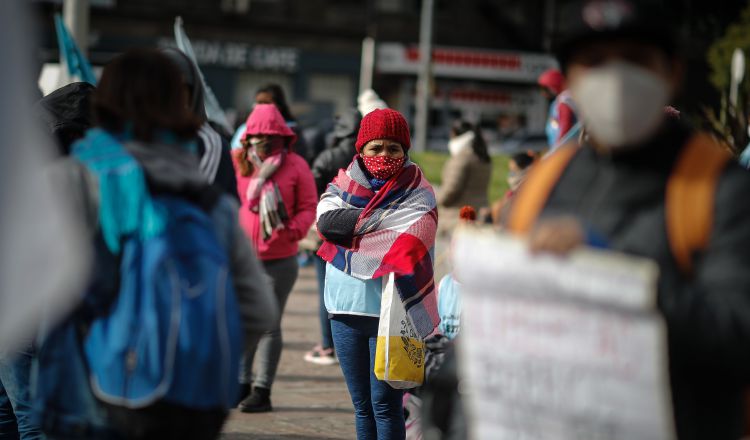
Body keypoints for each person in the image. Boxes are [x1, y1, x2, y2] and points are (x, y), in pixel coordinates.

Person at [507, 1, 750, 438]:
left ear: (672, 73)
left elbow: (738, 330)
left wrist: (617, 271)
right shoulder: (544, 184)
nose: (614, 79)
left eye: (635, 60)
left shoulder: (722, 187)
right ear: (571, 82)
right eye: (595, 62)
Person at [37, 49, 277, 439]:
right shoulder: (207, 199)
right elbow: (259, 308)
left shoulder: (73, 180)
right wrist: (191, 355)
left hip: (92, 393)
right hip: (190, 404)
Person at [317, 108, 440, 440]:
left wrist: (352, 229)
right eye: (376, 147)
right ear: (361, 150)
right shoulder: (341, 185)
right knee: (361, 407)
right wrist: (382, 225)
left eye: (393, 148)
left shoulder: (420, 194)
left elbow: (411, 242)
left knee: (385, 406)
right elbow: (325, 223)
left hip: (391, 314)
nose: (384, 155)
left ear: (405, 151)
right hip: (344, 308)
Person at [233, 103, 318, 412]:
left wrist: (292, 231)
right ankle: (240, 383)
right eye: (258, 135)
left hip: (280, 260)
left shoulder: (296, 165)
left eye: (272, 136)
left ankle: (262, 390)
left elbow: (310, 204)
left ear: (284, 135)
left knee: (268, 323)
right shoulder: (239, 162)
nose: (265, 142)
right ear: (248, 136)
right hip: (243, 258)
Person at [302, 107, 363, 366]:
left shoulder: (327, 156)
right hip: (360, 235)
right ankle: (355, 346)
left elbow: (311, 194)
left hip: (327, 233)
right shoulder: (365, 158)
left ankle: (328, 346)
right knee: (356, 293)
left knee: (327, 291)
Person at [161, 48, 238, 201]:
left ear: (192, 93)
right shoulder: (139, 134)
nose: (171, 96)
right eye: (163, 87)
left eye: (180, 89)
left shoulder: (209, 144)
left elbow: (199, 205)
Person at [436, 120, 491, 237]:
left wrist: (435, 200)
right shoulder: (482, 156)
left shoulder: (461, 158)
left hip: (456, 217)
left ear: (456, 136)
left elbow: (451, 189)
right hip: (478, 214)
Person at [231, 84, 311, 163]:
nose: (261, 107)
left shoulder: (291, 131)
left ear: (279, 106)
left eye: (266, 103)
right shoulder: (244, 128)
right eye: (258, 103)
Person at [538, 68, 579, 151]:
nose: (543, 93)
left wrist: (559, 145)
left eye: (545, 89)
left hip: (565, 147)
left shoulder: (564, 100)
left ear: (553, 85)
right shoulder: (566, 97)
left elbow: (565, 124)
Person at [490, 151, 536, 225]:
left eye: (514, 171)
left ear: (525, 170)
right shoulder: (516, 187)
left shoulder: (528, 184)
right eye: (510, 171)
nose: (511, 175)